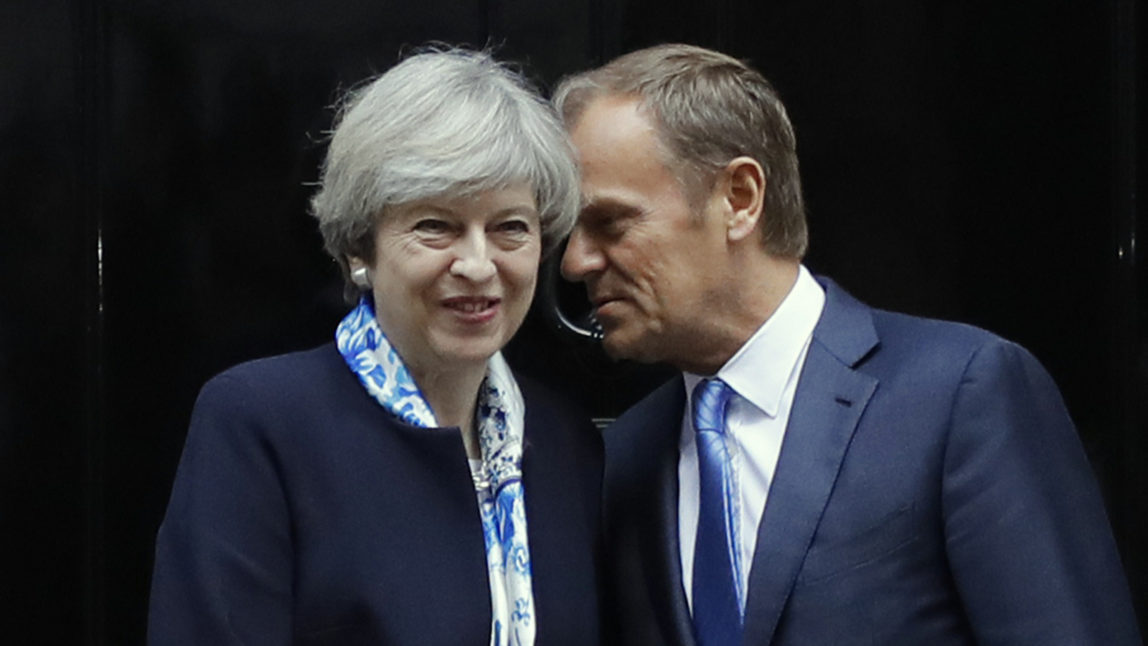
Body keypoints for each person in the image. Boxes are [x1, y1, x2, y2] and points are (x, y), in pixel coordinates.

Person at [554, 43, 1141, 645]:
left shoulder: (959, 397)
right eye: (570, 230)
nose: (575, 262)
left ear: (739, 199)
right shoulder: (625, 457)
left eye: (612, 223)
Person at [148, 49, 602, 645]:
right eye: (435, 226)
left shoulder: (566, 441)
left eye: (509, 227)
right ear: (361, 250)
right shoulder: (260, 423)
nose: (477, 263)